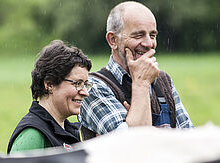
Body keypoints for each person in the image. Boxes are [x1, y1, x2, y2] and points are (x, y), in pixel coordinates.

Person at [79, 1, 193, 138]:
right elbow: (135, 145)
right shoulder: (93, 87)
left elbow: (190, 142)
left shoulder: (164, 81)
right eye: (138, 35)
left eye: (152, 35)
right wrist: (141, 83)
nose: (148, 44)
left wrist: (134, 123)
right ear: (113, 40)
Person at [7, 40, 92, 153]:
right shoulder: (33, 135)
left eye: (86, 84)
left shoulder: (67, 131)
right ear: (49, 84)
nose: (85, 92)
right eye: (77, 83)